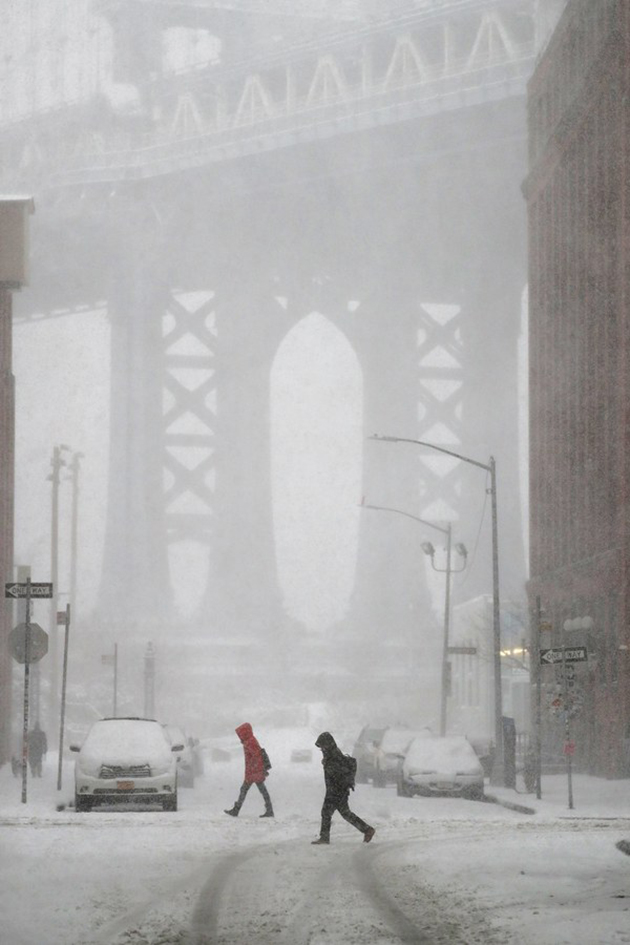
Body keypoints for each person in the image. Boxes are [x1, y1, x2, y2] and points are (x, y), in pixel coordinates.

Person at [312, 731, 375, 845]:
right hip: (337, 790)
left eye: (322, 746)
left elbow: (337, 774)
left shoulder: (334, 756)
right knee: (345, 813)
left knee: (327, 812)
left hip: (336, 790)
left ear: (328, 744)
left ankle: (325, 837)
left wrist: (327, 765)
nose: (321, 749)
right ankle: (367, 829)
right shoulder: (331, 755)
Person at [224, 722, 274, 818]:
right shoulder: (250, 741)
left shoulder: (250, 742)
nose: (239, 737)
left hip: (254, 772)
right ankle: (269, 809)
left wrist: (255, 771)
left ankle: (237, 810)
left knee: (248, 790)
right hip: (253, 771)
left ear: (244, 733)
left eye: (240, 734)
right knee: (255, 790)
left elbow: (256, 757)